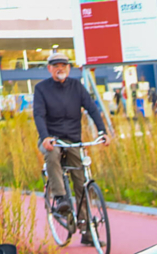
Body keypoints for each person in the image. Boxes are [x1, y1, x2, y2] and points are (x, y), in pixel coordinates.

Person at [33, 52, 108, 242]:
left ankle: (86, 229)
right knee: (52, 155)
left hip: (73, 139)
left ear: (69, 68)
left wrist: (102, 131)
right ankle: (60, 198)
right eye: (56, 65)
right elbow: (39, 115)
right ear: (49, 68)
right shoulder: (42, 89)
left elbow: (91, 108)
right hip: (52, 139)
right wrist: (45, 137)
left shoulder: (77, 87)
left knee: (81, 180)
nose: (60, 69)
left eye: (64, 65)